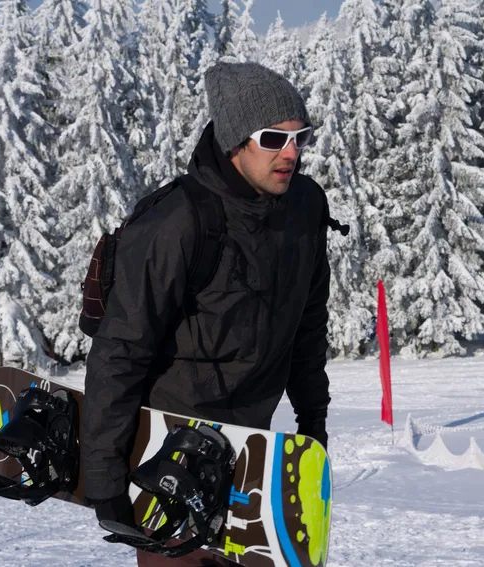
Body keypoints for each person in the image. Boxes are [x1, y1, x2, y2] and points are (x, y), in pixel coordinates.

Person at [81, 61, 332, 567]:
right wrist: (105, 478)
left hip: (252, 452)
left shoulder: (305, 207)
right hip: (170, 447)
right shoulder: (178, 221)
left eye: (301, 137)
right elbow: (121, 349)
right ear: (235, 140)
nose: (292, 153)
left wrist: (313, 422)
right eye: (273, 139)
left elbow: (308, 324)